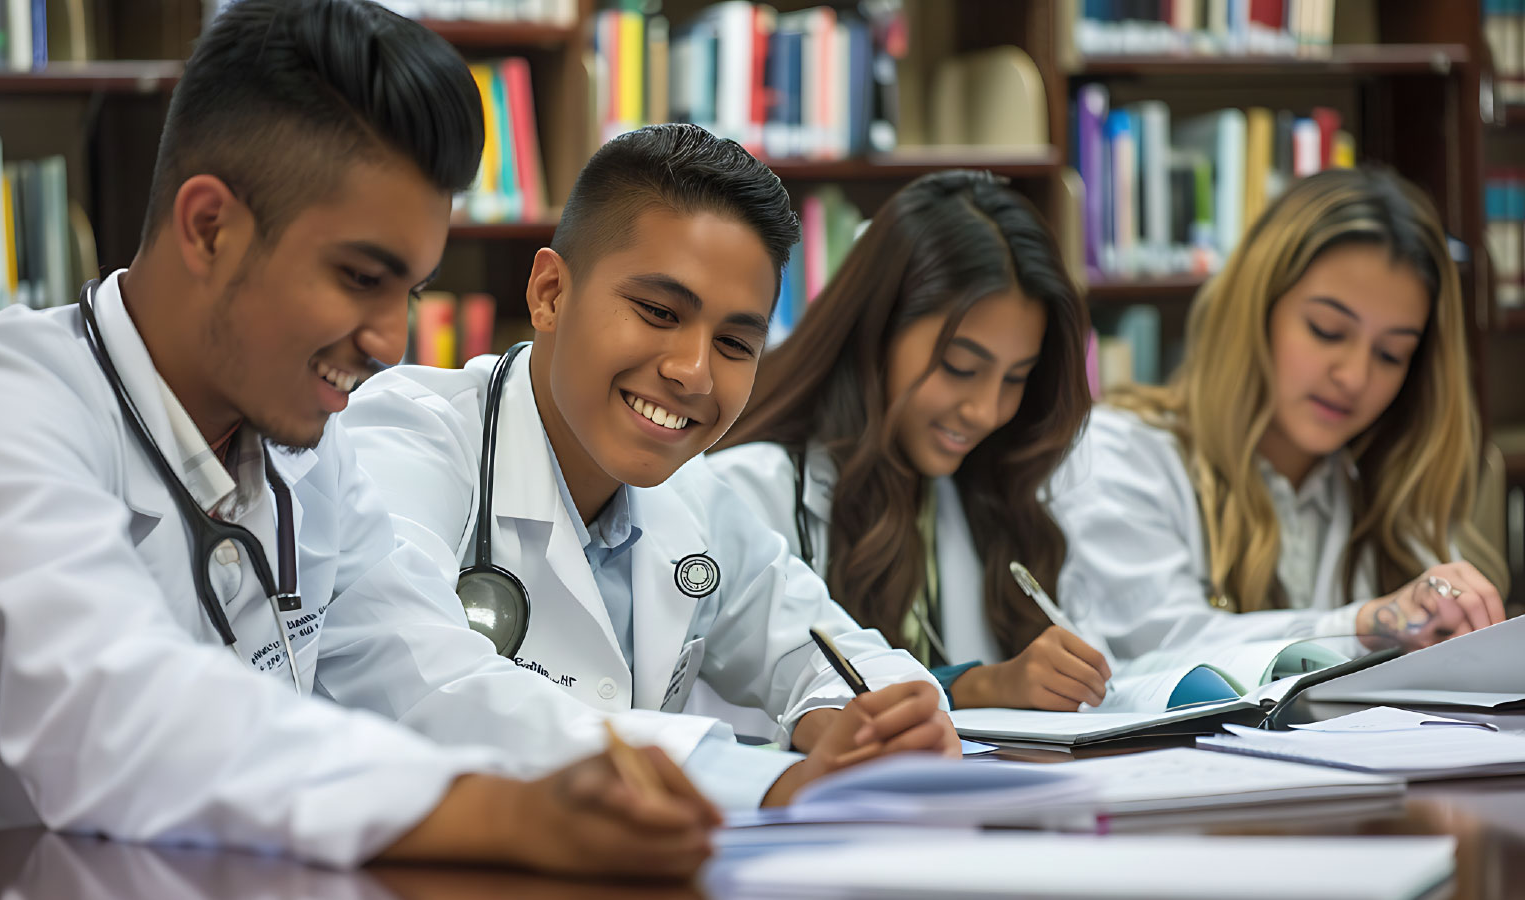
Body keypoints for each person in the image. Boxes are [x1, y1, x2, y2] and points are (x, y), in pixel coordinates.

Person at [0, 0, 724, 876]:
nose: (389, 341)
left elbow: (434, 680)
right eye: (358, 278)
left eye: (410, 292)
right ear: (209, 227)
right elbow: (116, 719)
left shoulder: (302, 445)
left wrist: (738, 784)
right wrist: (502, 813)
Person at [341, 123, 959, 796]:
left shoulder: (698, 501)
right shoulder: (407, 436)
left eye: (733, 343)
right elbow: (428, 686)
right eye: (660, 312)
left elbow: (839, 654)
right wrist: (763, 781)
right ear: (549, 293)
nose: (693, 373)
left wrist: (872, 727)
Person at [1049, 167, 1507, 662]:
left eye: (1391, 355)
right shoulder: (1117, 453)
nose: (1354, 377)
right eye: (1326, 330)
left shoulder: (1391, 496)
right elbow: (1154, 649)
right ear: (1254, 310)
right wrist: (1364, 626)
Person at [709, 170, 1106, 712]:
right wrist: (973, 688)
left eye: (1016, 378)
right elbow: (761, 716)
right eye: (961, 367)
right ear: (877, 330)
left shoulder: (995, 491)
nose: (987, 411)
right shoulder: (752, 492)